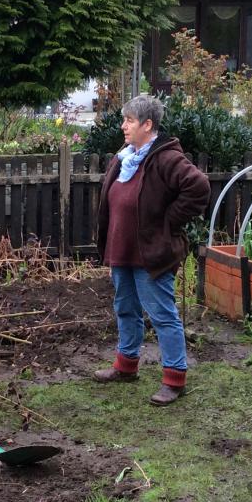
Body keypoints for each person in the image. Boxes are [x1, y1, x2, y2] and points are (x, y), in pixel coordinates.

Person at [93, 95, 211, 406]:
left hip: (150, 252)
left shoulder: (165, 158)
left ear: (148, 124)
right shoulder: (125, 157)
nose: (123, 126)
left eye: (129, 121)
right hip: (122, 249)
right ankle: (126, 366)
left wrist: (167, 222)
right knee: (125, 308)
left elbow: (198, 188)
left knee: (162, 314)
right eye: (124, 120)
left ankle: (175, 378)